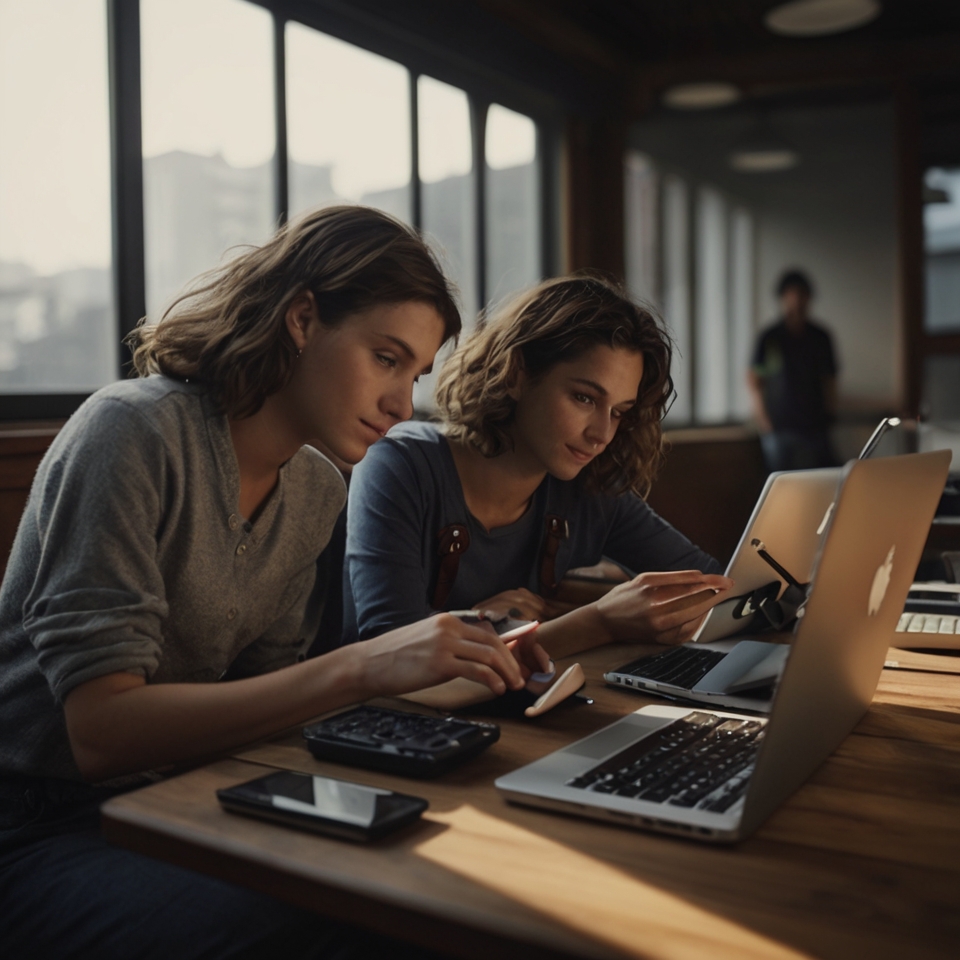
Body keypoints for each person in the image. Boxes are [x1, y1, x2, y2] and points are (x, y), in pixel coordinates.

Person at [0, 205, 546, 960]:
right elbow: (99, 732)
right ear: (301, 318)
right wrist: (362, 668)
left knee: (452, 881)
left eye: (415, 374)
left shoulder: (317, 488)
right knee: (327, 926)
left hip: (182, 794)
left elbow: (267, 704)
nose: (402, 402)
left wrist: (429, 701)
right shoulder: (132, 431)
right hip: (35, 823)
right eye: (385, 358)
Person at [344, 275, 734, 662]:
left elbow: (719, 591)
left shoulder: (590, 489)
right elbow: (394, 651)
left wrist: (516, 625)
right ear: (516, 373)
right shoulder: (398, 465)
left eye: (618, 412)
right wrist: (597, 622)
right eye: (584, 398)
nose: (601, 434)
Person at [747, 270, 839, 473]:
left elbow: (830, 379)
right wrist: (764, 421)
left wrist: (830, 415)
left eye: (801, 294)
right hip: (779, 427)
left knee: (821, 479)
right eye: (791, 294)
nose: (796, 300)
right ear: (782, 297)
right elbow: (755, 380)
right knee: (780, 481)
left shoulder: (820, 337)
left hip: (815, 427)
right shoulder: (770, 337)